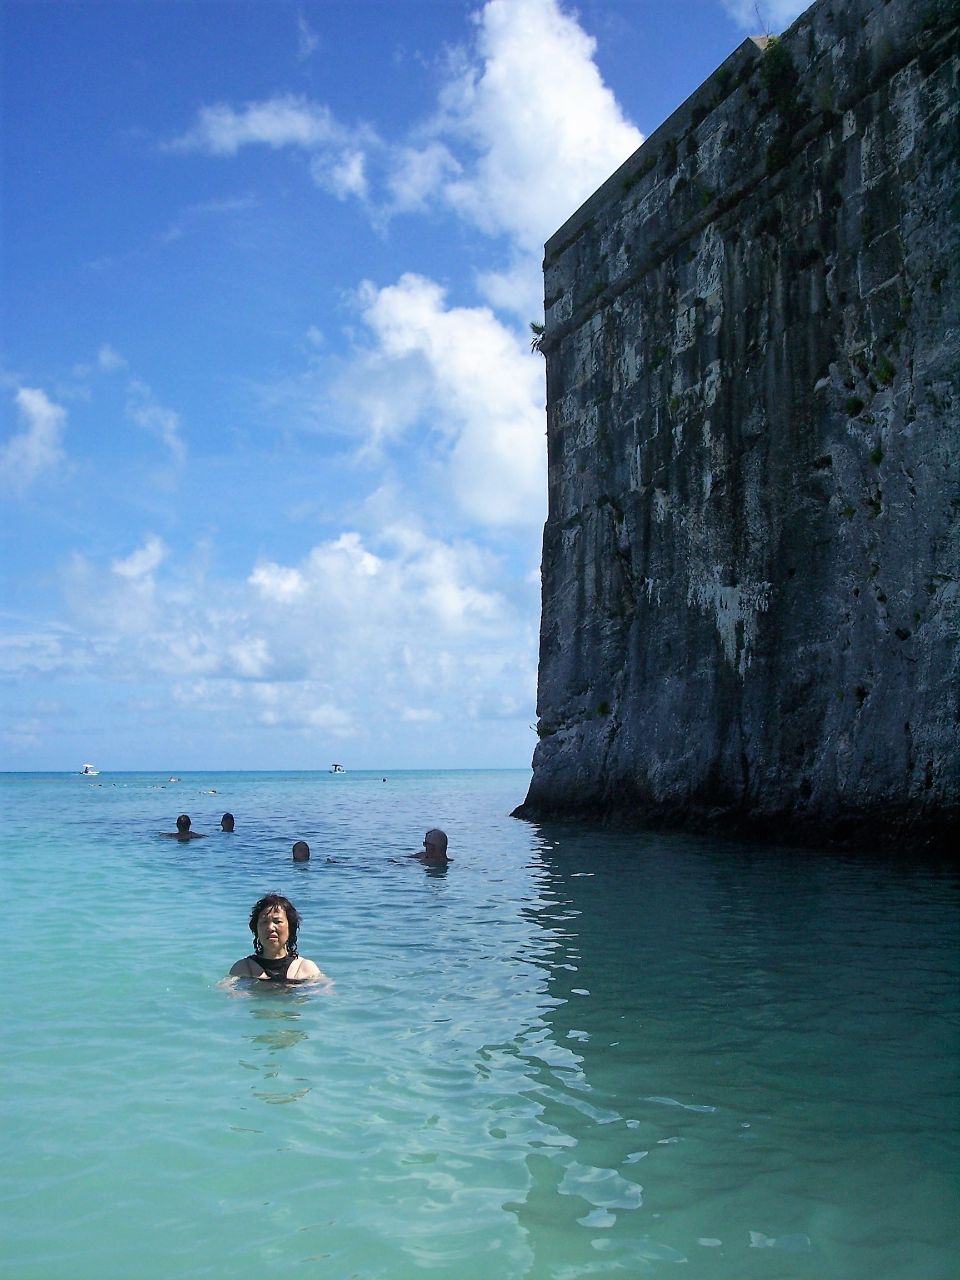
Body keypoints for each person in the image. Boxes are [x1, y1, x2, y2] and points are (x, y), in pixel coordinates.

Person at [229, 894, 329, 984]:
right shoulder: (243, 969)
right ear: (256, 929)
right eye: (264, 922)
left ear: (290, 927)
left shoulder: (305, 969)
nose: (270, 927)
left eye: (277, 921)